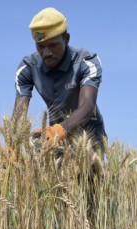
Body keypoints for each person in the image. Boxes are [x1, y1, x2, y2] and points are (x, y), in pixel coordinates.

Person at [13, 7, 107, 147]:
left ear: (66, 39)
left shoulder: (87, 62)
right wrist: (14, 142)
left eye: (53, 45)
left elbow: (87, 106)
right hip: (56, 141)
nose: (46, 53)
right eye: (40, 46)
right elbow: (19, 113)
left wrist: (58, 131)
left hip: (89, 140)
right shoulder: (27, 68)